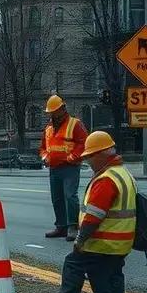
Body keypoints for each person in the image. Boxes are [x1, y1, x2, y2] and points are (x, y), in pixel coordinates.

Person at [38, 131, 136, 293]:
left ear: (102, 154)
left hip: (103, 242)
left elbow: (94, 216)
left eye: (90, 156)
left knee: (73, 264)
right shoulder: (124, 174)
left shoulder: (106, 179)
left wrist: (80, 240)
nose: (88, 161)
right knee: (110, 277)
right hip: (120, 241)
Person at [39, 94, 88, 241]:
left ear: (62, 109)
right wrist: (45, 157)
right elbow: (43, 147)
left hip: (69, 167)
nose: (52, 114)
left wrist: (72, 157)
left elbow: (83, 143)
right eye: (50, 112)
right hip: (54, 168)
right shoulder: (48, 128)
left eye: (54, 111)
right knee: (57, 198)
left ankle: (73, 226)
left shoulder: (75, 124)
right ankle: (61, 227)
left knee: (70, 196)